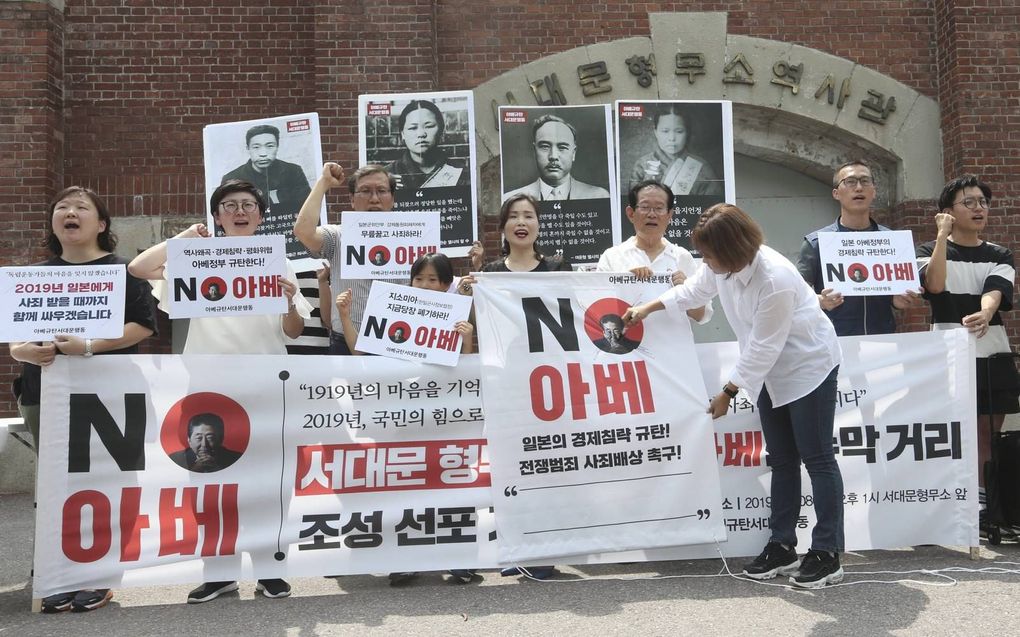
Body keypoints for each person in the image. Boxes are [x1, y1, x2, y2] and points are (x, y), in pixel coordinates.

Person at [623, 203, 845, 589]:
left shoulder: (774, 278)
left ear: (732, 250)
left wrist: (728, 392)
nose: (704, 262)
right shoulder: (721, 265)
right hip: (769, 376)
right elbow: (694, 289)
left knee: (817, 457)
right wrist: (649, 306)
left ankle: (827, 553)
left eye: (709, 255)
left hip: (808, 368)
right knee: (783, 459)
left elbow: (764, 347)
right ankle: (782, 545)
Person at [130, 179, 310, 603]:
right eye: (229, 205)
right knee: (211, 480)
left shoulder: (277, 263)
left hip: (265, 385)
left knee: (269, 482)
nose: (239, 210)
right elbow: (139, 269)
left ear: (262, 216)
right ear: (217, 216)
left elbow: (295, 330)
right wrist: (183, 238)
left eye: (248, 204)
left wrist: (287, 304)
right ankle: (220, 572)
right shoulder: (197, 257)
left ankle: (271, 569)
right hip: (208, 389)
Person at [9, 186, 157, 613]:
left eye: (81, 207)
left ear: (102, 224)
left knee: (107, 484)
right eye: (62, 208)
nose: (69, 213)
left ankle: (99, 575)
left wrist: (89, 345)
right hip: (44, 393)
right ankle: (56, 574)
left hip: (109, 393)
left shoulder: (123, 271)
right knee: (56, 485)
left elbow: (143, 327)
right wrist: (22, 352)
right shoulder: (34, 275)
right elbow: (17, 338)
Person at [916, 175, 1019, 539]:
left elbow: (997, 289)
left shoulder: (998, 254)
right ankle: (958, 504)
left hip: (991, 352)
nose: (979, 209)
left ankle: (988, 507)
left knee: (988, 433)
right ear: (948, 212)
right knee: (953, 433)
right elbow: (936, 285)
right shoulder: (929, 249)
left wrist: (986, 312)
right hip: (946, 356)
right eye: (969, 203)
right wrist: (942, 237)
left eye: (983, 202)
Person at [293, 163, 405, 355]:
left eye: (382, 191)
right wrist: (323, 183)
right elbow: (303, 231)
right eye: (365, 191)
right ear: (352, 200)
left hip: (398, 341)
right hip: (345, 342)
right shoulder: (338, 236)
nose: (374, 199)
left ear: (392, 198)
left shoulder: (413, 236)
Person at [798, 159, 918, 335]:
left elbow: (899, 296)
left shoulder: (893, 242)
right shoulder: (816, 243)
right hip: (833, 343)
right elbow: (797, 296)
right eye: (850, 182)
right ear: (836, 193)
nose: (859, 188)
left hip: (883, 342)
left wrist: (899, 300)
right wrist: (820, 301)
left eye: (865, 181)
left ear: (874, 191)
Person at [596, 180, 711, 325]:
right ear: (631, 214)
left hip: (673, 345)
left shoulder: (682, 257)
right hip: (626, 344)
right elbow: (598, 309)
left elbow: (701, 316)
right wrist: (625, 281)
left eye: (659, 208)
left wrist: (686, 289)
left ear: (670, 215)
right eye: (644, 207)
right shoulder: (612, 256)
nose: (652, 214)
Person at [335, 253, 474, 355]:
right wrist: (345, 315)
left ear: (446, 284)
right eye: (418, 279)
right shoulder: (393, 310)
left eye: (432, 280)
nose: (424, 285)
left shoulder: (455, 318)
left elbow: (461, 370)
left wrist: (467, 341)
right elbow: (359, 353)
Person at [504, 114, 609, 201]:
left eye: (562, 147)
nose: (553, 156)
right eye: (545, 147)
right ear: (534, 151)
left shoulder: (599, 196)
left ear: (573, 153)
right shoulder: (511, 199)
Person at [221, 124, 312, 221]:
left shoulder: (293, 171)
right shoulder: (231, 178)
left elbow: (308, 208)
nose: (263, 153)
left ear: (277, 146)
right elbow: (225, 217)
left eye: (270, 146)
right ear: (248, 148)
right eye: (256, 147)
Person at [628, 104, 722, 196]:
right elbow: (633, 203)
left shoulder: (702, 167)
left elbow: (713, 205)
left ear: (687, 132)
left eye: (679, 131)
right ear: (655, 132)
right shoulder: (642, 165)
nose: (672, 138)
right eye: (665, 131)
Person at [474, 193, 573, 274]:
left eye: (528, 216)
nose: (521, 222)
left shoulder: (558, 268)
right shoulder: (492, 273)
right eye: (513, 216)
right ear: (503, 228)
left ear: (538, 226)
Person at [386, 100, 468, 190]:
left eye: (429, 126)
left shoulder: (461, 172)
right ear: (403, 134)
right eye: (413, 128)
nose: (421, 134)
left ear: (441, 130)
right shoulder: (385, 175)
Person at [169, 413, 243, 473]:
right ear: (189, 440)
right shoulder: (175, 460)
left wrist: (217, 469)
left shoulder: (238, 459)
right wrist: (195, 470)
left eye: (210, 438)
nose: (204, 444)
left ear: (221, 439)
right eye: (199, 438)